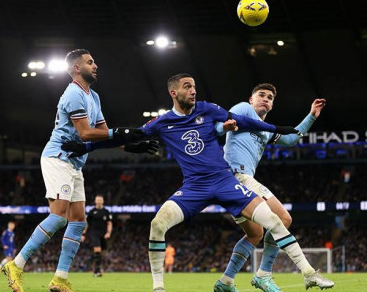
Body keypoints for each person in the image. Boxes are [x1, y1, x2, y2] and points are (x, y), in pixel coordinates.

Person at [63, 73, 334, 292]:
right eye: (187, 87)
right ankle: (159, 288)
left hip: (226, 181)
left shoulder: (208, 109)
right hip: (195, 187)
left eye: (194, 86)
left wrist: (280, 129)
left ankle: (308, 274)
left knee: (273, 222)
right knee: (157, 224)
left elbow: (238, 122)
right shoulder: (163, 122)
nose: (193, 91)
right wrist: (85, 148)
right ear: (174, 93)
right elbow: (125, 138)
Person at [2, 48, 156, 292]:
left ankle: (60, 278)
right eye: (90, 62)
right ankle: (16, 265)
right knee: (58, 217)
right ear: (76, 68)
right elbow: (86, 133)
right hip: (58, 157)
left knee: (78, 222)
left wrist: (132, 146)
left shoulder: (93, 96)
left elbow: (105, 133)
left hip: (75, 163)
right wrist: (120, 132)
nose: (95, 66)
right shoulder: (73, 94)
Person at [213, 83, 326, 292]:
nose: (266, 99)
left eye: (270, 98)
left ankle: (225, 282)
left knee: (255, 234)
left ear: (272, 106)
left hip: (229, 185)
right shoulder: (243, 110)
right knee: (284, 219)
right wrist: (223, 128)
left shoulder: (265, 131)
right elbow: (221, 125)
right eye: (261, 95)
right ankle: (264, 275)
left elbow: (290, 139)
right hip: (238, 177)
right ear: (251, 99)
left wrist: (311, 115)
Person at [81, 194, 113, 277]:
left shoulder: (106, 212)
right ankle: (96, 271)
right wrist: (83, 234)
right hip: (94, 233)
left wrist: (108, 233)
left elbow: (109, 223)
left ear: (103, 201)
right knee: (97, 250)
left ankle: (97, 269)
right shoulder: (91, 212)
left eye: (100, 200)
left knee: (102, 252)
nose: (99, 201)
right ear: (95, 201)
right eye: (97, 200)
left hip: (103, 234)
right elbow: (87, 224)